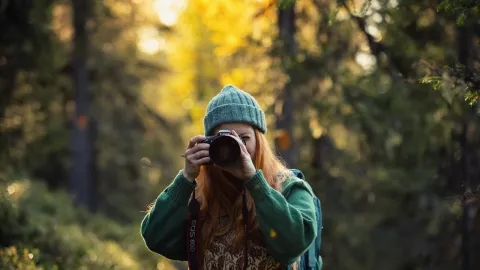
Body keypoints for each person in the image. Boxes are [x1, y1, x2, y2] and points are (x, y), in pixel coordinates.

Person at [141, 85, 318, 270]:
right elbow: (155, 238)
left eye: (244, 138)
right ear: (209, 144)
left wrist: (256, 184)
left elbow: (294, 244)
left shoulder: (290, 188)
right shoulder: (200, 197)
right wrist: (185, 179)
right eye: (225, 141)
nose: (236, 148)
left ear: (259, 141)